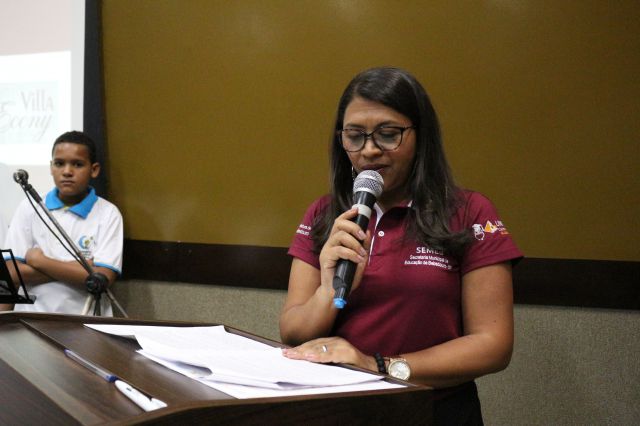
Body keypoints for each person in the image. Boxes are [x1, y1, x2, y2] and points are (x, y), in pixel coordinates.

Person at [280, 67, 523, 424]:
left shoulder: (469, 212)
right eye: (355, 136)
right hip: (338, 410)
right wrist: (329, 291)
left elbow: (493, 345)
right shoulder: (324, 214)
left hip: (433, 411)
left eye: (388, 134)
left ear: (420, 136)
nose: (369, 150)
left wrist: (379, 366)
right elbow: (293, 332)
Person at [1, 131, 123, 315]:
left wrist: (39, 261)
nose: (67, 171)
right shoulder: (29, 206)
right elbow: (11, 274)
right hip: (31, 318)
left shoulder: (108, 213)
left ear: (94, 169)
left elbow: (101, 278)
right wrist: (81, 269)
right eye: (59, 163)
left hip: (86, 321)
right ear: (51, 167)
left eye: (77, 164)